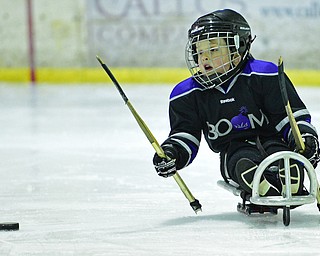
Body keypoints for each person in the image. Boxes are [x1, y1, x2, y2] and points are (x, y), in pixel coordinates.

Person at [153, 9, 320, 197]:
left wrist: (305, 137)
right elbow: (185, 134)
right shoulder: (187, 94)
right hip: (233, 151)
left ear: (237, 50)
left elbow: (289, 118)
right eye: (199, 52)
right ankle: (262, 184)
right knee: (241, 161)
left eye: (213, 49)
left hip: (272, 140)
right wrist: (172, 153)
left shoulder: (264, 74)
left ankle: (288, 177)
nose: (204, 57)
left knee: (280, 155)